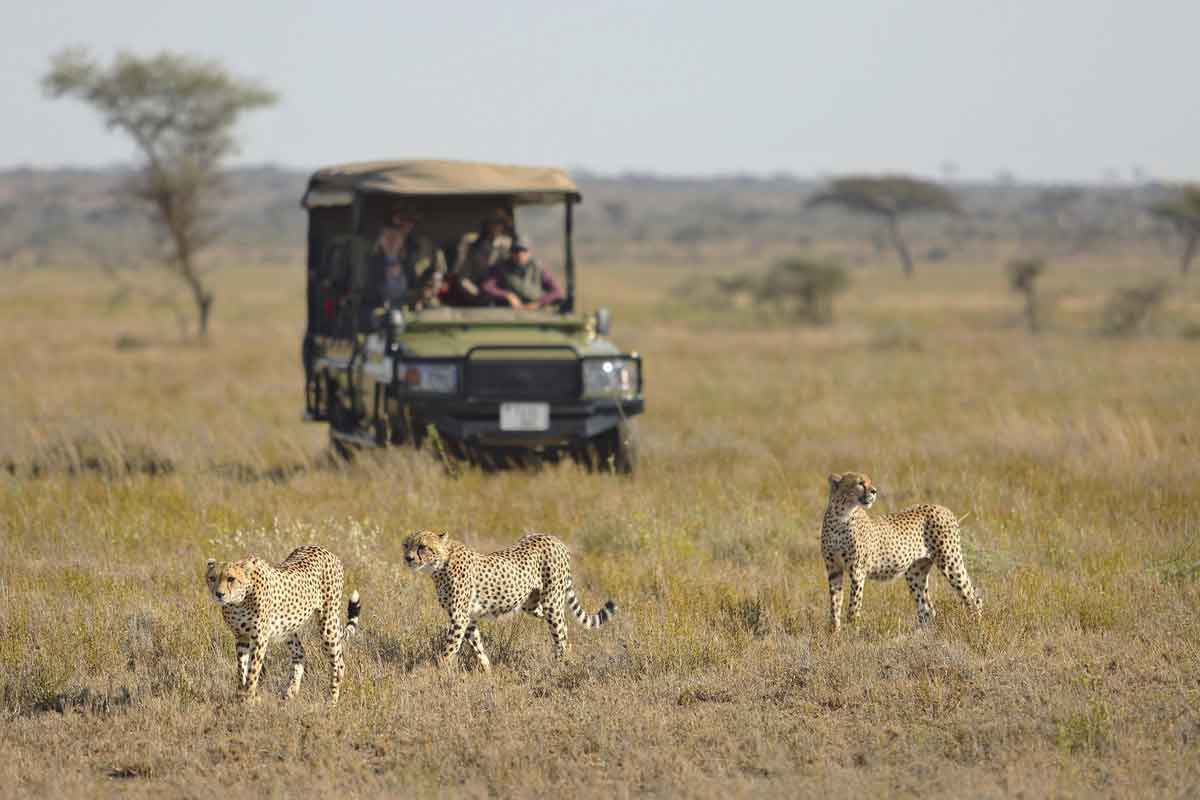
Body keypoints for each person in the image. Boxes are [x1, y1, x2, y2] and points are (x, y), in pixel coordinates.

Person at [367, 209, 447, 311]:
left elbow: (437, 273)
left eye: (409, 221)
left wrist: (422, 294)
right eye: (387, 237)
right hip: (379, 303)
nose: (406, 226)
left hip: (415, 300)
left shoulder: (424, 247)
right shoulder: (373, 254)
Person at [481, 236, 564, 310]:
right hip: (510, 312)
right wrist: (508, 295)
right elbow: (487, 287)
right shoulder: (501, 268)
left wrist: (538, 303)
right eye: (516, 251)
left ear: (530, 253)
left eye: (524, 251)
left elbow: (557, 292)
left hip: (536, 312)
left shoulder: (539, 269)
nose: (520, 255)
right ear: (511, 253)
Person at [448, 213, 512, 305]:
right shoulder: (472, 244)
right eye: (493, 226)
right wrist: (477, 293)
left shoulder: (504, 245)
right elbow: (462, 276)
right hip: (473, 289)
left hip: (493, 289)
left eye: (499, 227)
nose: (496, 230)